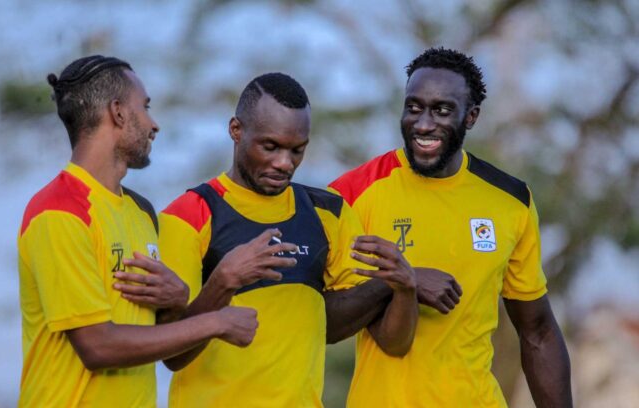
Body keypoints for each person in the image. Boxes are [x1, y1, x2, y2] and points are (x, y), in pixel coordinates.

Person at [157, 72, 418, 407]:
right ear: (236, 130)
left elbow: (338, 325)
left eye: (297, 150)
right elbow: (172, 356)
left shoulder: (329, 213)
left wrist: (400, 283)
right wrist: (224, 282)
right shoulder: (188, 216)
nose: (284, 163)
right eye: (270, 147)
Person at [329, 48, 572, 407]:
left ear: (471, 116)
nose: (424, 124)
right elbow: (325, 324)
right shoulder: (350, 194)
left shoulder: (510, 200)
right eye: (414, 107)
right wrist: (399, 280)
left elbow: (537, 332)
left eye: (442, 110)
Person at [17, 55, 259, 407]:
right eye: (144, 107)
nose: (153, 124)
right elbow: (97, 346)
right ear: (117, 112)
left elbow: (166, 344)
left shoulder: (142, 212)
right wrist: (217, 322)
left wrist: (180, 299)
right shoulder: (59, 211)